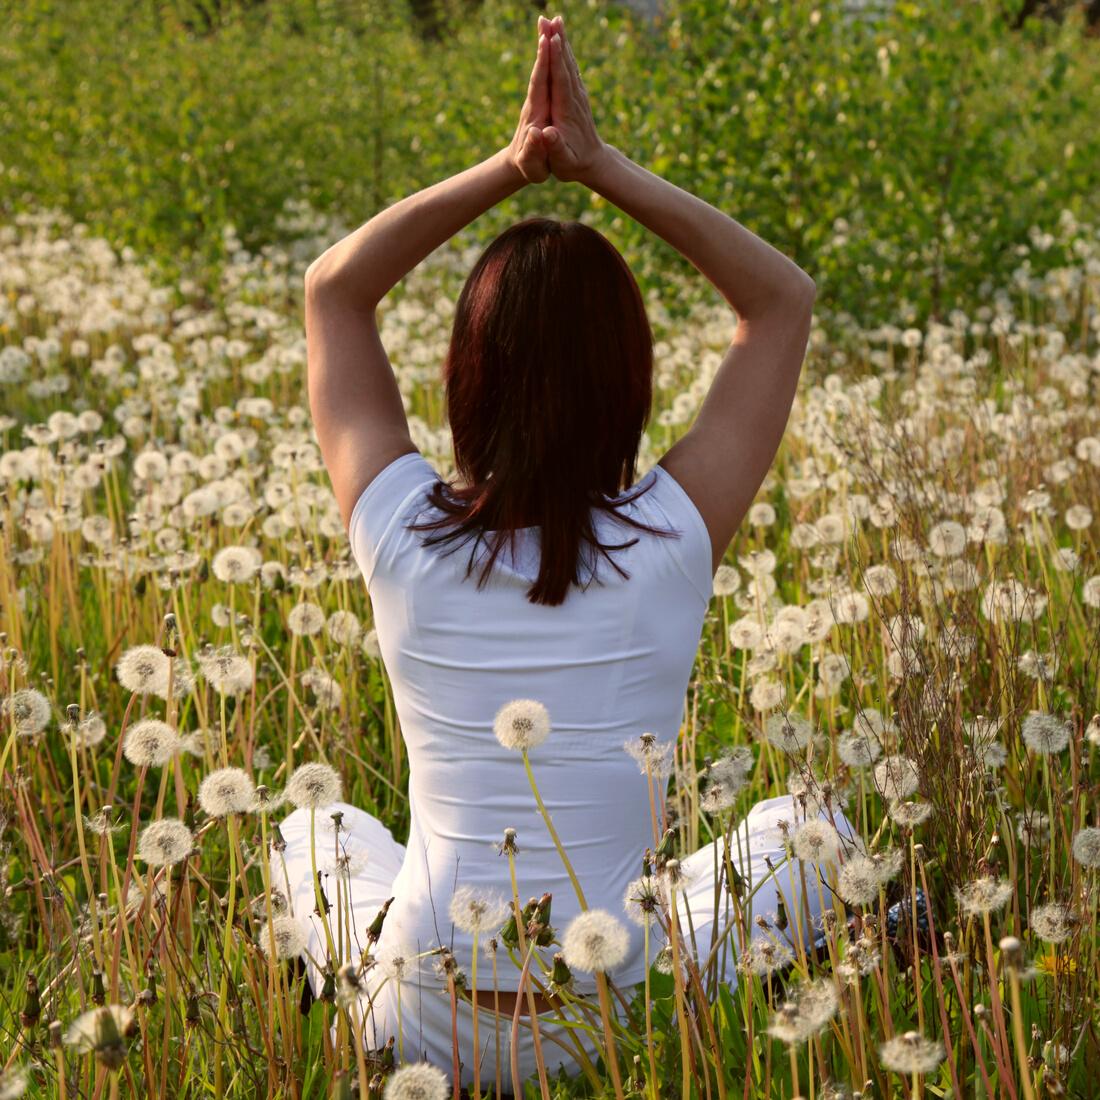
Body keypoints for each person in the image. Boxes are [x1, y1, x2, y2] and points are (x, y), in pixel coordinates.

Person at [280, 10, 852, 1096]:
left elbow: (332, 290)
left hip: (416, 1017)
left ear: (464, 375)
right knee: (812, 825)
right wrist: (599, 167)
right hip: (615, 1023)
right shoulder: (671, 536)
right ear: (629, 381)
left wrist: (510, 166)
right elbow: (781, 298)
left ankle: (346, 1010)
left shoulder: (400, 533)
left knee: (316, 827)